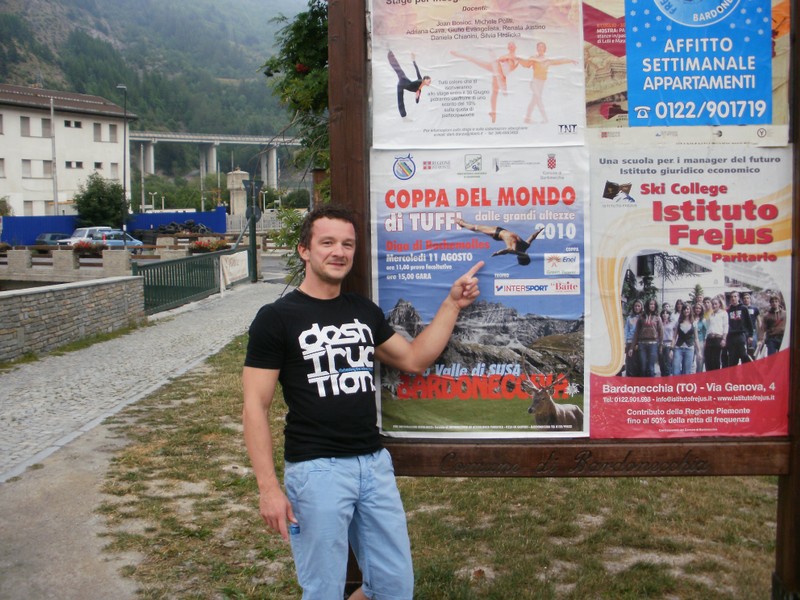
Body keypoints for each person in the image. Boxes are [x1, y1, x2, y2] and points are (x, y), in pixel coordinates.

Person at [242, 205, 483, 600]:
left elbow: (413, 360)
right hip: (316, 470)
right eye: (327, 242)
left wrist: (452, 305)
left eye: (347, 244)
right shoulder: (276, 318)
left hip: (372, 466)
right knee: (323, 590)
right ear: (304, 250)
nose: (339, 252)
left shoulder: (362, 311)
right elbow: (255, 405)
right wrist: (267, 487)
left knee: (393, 588)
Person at [450, 42, 520, 122]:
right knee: (495, 93)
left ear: (515, 47)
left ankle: (494, 113)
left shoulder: (515, 58)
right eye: (509, 45)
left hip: (499, 71)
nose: (511, 46)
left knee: (495, 93)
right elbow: (503, 63)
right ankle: (493, 113)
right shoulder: (510, 57)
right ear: (508, 48)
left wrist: (503, 77)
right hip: (497, 70)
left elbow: (510, 68)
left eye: (512, 45)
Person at [517, 41, 578, 124]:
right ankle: (545, 119)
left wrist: (570, 60)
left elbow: (559, 61)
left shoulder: (547, 60)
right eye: (538, 46)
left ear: (544, 49)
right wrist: (519, 59)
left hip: (541, 84)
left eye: (542, 46)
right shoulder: (533, 58)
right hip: (534, 82)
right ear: (537, 48)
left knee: (534, 101)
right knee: (538, 99)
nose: (540, 48)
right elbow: (526, 65)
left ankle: (527, 119)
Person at [456, 217, 544, 265]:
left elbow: (508, 250)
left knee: (476, 228)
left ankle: (462, 223)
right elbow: (532, 237)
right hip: (500, 231)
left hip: (498, 233)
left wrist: (498, 253)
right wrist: (539, 231)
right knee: (476, 228)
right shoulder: (524, 247)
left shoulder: (518, 249)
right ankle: (463, 224)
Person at [388, 50, 431, 118]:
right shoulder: (420, 81)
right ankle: (390, 54)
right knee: (398, 69)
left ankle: (403, 115)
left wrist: (417, 97)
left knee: (400, 100)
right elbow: (417, 70)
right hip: (404, 81)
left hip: (403, 83)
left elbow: (417, 101)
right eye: (429, 80)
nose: (430, 82)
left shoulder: (419, 90)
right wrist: (413, 60)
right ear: (425, 79)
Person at [631, 298, 662, 377]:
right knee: (643, 368)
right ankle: (643, 384)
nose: (652, 306)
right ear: (648, 305)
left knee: (651, 368)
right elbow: (636, 332)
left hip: (653, 345)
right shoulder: (641, 317)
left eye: (654, 304)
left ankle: (651, 384)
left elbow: (661, 332)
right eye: (651, 304)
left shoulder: (657, 317)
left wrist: (660, 345)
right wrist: (632, 347)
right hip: (642, 345)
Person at [726, 291, 754, 367]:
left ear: (738, 298)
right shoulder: (728, 310)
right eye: (732, 297)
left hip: (741, 335)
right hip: (731, 336)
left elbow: (749, 322)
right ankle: (733, 374)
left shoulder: (743, 308)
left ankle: (746, 373)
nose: (733, 298)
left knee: (744, 355)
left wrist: (750, 335)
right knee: (732, 358)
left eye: (735, 296)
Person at [671, 304, 699, 376]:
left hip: (689, 348)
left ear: (690, 310)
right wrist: (671, 349)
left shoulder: (694, 323)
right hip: (678, 348)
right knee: (675, 370)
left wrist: (699, 351)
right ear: (682, 311)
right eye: (684, 309)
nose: (686, 310)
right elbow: (674, 337)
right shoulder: (678, 322)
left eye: (688, 309)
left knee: (687, 371)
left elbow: (696, 338)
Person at [704, 296, 729, 371]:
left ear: (719, 304)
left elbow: (725, 326)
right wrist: (705, 339)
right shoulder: (711, 315)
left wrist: (724, 339)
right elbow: (708, 328)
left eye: (715, 304)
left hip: (718, 338)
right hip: (709, 338)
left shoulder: (723, 313)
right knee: (708, 360)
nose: (714, 306)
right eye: (713, 304)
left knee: (716, 360)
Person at [623, 299, 643, 377]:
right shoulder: (629, 318)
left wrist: (638, 343)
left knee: (638, 363)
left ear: (641, 307)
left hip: (639, 343)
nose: (637, 308)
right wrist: (624, 343)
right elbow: (626, 330)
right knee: (629, 363)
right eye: (635, 306)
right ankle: (629, 380)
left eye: (638, 306)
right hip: (629, 342)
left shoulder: (643, 318)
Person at [741, 292, 761, 359]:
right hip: (743, 331)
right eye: (744, 298)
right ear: (742, 300)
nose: (746, 299)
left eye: (747, 298)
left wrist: (760, 332)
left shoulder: (755, 308)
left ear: (750, 299)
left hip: (752, 331)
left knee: (753, 348)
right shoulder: (741, 309)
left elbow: (759, 320)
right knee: (744, 349)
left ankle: (754, 361)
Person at [659, 308, 675, 376]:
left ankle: (668, 380)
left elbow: (675, 335)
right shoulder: (659, 323)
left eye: (666, 313)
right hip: (661, 344)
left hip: (669, 344)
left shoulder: (672, 323)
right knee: (661, 364)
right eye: (663, 313)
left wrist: (672, 347)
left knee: (668, 364)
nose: (665, 315)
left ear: (669, 315)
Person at [692, 302, 707, 373]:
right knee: (691, 360)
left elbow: (706, 331)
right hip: (691, 341)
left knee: (700, 360)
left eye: (699, 308)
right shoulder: (691, 318)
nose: (698, 310)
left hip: (700, 341)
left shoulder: (703, 319)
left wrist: (705, 341)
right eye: (696, 308)